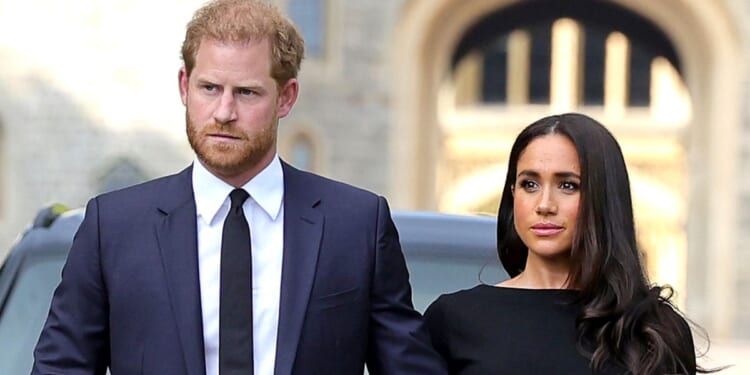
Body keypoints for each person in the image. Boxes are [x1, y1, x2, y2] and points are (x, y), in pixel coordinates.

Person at [31, 1, 447, 374]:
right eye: (209, 88)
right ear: (184, 86)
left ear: (286, 97)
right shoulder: (113, 227)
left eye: (247, 93)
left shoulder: (356, 226)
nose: (224, 112)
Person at [424, 113, 714, 374]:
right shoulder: (453, 319)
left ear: (603, 199)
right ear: (513, 195)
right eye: (530, 184)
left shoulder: (653, 329)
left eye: (568, 186)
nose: (545, 204)